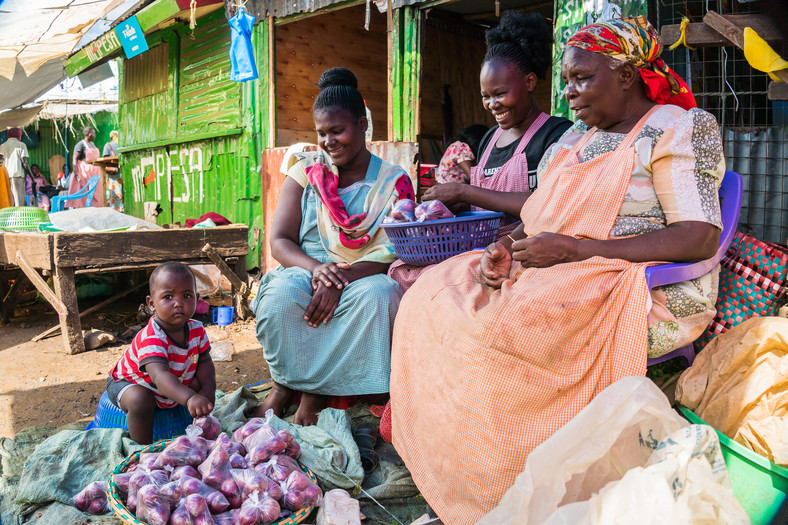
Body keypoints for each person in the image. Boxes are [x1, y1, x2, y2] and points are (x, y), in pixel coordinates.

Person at [390, 16, 723, 524]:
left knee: (498, 335)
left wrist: (575, 250)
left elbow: (698, 235)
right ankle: (453, 471)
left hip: (632, 278)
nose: (569, 93)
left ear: (628, 74)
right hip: (557, 264)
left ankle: (500, 491)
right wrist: (505, 248)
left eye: (583, 79)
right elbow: (536, 219)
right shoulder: (573, 141)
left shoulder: (676, 128)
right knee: (428, 297)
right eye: (566, 80)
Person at [250, 67, 414, 426]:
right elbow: (280, 241)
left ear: (362, 124)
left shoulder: (394, 182)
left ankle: (318, 392)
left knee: (380, 296)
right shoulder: (305, 170)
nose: (328, 142)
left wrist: (339, 279)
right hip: (306, 266)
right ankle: (284, 386)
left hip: (362, 273)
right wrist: (316, 270)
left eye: (338, 131)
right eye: (322, 133)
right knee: (280, 293)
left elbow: (396, 249)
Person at [388, 12, 572, 292]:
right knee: (400, 271)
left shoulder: (557, 134)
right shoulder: (488, 139)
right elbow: (482, 202)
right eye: (486, 96)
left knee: (438, 286)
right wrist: (454, 207)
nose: (492, 104)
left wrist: (465, 192)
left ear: (530, 82)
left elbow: (549, 204)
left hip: (521, 251)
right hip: (476, 245)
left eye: (500, 94)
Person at [106, 262, 215, 444]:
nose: (178, 303)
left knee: (198, 383)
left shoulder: (196, 329)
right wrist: (189, 398)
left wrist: (208, 389)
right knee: (140, 401)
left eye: (187, 296)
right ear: (151, 303)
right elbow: (160, 376)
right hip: (130, 383)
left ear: (196, 298)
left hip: (170, 382)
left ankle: (195, 435)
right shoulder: (152, 337)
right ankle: (143, 449)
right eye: (168, 297)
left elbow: (205, 362)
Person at [69, 127, 103, 208]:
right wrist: (76, 173)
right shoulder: (80, 145)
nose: (95, 135)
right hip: (84, 173)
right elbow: (74, 158)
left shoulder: (92, 145)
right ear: (89, 134)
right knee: (84, 193)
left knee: (96, 193)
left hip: (95, 172)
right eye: (94, 133)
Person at [0, 128, 31, 207]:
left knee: (8, 202)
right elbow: (25, 164)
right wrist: (32, 178)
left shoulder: (2, 146)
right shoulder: (21, 145)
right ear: (19, 135)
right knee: (19, 203)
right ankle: (19, 219)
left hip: (5, 177)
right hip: (17, 176)